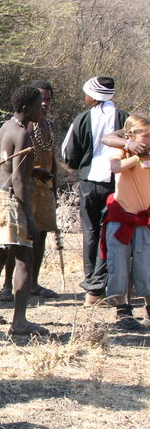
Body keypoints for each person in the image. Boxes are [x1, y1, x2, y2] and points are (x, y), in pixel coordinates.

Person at [0, 86, 49, 337]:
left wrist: (33, 171)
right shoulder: (23, 134)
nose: (41, 109)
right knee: (25, 258)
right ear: (26, 108)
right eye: (38, 105)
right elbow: (18, 182)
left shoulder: (7, 127)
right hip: (10, 199)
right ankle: (20, 321)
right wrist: (30, 218)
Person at [61, 76, 129, 306]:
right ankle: (107, 283)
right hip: (115, 183)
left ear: (93, 96)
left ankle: (92, 282)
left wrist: (83, 165)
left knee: (90, 232)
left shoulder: (82, 119)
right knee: (110, 232)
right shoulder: (124, 119)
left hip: (89, 182)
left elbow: (68, 154)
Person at [0, 80, 60, 301]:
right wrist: (34, 172)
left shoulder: (49, 126)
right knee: (17, 239)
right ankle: (7, 286)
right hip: (25, 186)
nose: (44, 104)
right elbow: (10, 164)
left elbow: (52, 159)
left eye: (48, 99)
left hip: (45, 187)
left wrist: (55, 185)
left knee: (40, 235)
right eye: (40, 99)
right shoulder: (21, 126)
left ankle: (33, 283)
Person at [100, 115, 150, 330]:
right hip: (121, 217)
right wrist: (137, 155)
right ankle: (123, 310)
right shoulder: (122, 150)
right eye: (145, 136)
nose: (148, 140)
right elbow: (115, 167)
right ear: (131, 136)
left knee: (145, 266)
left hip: (145, 219)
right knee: (118, 266)